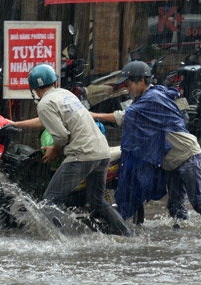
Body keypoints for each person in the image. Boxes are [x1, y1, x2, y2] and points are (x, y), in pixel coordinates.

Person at [91, 60, 201, 229]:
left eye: (128, 84)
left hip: (186, 155)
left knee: (198, 201)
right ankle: (181, 239)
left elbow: (125, 117)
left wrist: (93, 115)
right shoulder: (146, 98)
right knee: (175, 207)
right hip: (171, 160)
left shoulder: (152, 98)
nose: (127, 89)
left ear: (141, 81)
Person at [11, 64, 132, 237]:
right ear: (54, 81)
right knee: (98, 201)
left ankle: (63, 241)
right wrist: (16, 124)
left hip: (81, 155)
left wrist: (54, 150)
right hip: (102, 152)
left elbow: (61, 136)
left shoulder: (44, 103)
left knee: (49, 202)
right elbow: (44, 120)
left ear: (34, 88)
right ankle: (128, 235)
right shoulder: (65, 94)